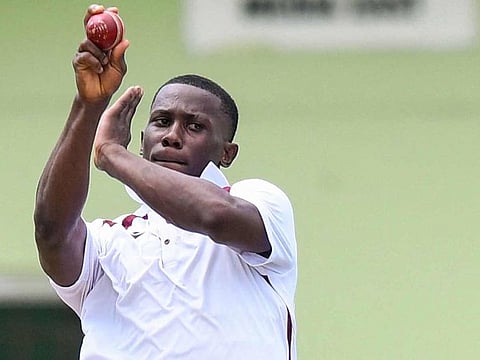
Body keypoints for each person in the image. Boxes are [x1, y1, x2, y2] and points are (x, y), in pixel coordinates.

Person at [34, 4, 297, 359]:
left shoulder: (259, 201)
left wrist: (112, 153)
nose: (172, 136)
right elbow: (51, 232)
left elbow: (214, 216)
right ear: (142, 139)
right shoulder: (111, 239)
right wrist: (88, 104)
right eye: (161, 121)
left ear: (227, 153)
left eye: (195, 126)